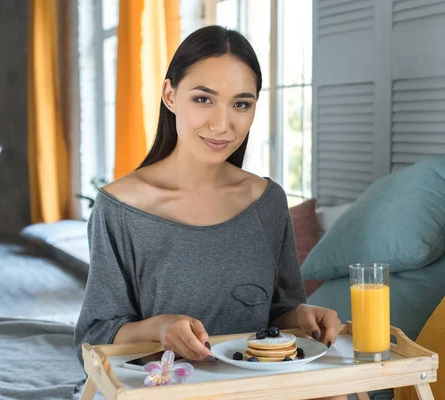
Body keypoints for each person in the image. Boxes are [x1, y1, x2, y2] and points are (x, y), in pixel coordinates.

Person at [75, 25, 344, 400]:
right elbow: (94, 337)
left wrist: (301, 316)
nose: (222, 124)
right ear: (170, 95)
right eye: (204, 99)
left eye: (240, 104)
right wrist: (160, 328)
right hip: (162, 391)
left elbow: (277, 314)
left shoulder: (267, 201)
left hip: (256, 389)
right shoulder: (120, 207)